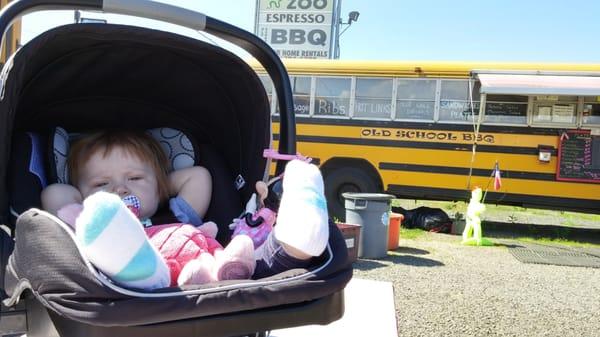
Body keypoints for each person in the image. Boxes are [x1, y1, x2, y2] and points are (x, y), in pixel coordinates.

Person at [41, 130, 329, 289]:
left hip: (221, 268)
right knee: (142, 271)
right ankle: (138, 266)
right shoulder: (96, 235)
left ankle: (297, 240)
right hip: (139, 283)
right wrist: (93, 208)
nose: (120, 189)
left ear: (160, 187)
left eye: (135, 178)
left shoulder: (177, 214)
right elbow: (54, 194)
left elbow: (199, 175)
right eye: (102, 183)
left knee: (257, 263)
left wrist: (161, 186)